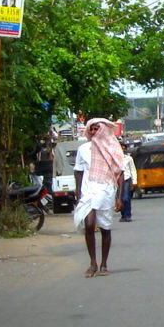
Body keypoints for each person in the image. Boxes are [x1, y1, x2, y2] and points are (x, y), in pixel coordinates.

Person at [72, 118, 124, 277]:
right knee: (89, 224)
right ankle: (92, 263)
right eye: (91, 129)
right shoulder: (83, 149)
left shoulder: (112, 148)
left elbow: (120, 173)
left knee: (105, 228)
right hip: (89, 191)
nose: (94, 132)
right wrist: (78, 191)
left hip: (106, 190)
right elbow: (78, 171)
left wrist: (119, 197)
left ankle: (104, 264)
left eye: (97, 129)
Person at [120, 144, 136, 222]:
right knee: (120, 198)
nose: (122, 150)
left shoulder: (129, 159)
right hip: (117, 181)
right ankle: (123, 215)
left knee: (126, 198)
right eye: (121, 148)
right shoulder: (114, 158)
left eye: (124, 148)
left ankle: (128, 215)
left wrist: (134, 181)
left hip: (126, 179)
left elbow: (133, 170)